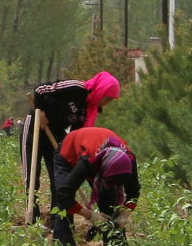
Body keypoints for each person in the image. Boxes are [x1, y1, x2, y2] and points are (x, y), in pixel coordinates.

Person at [23, 70, 122, 213]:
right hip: (35, 124)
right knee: (32, 174)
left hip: (56, 132)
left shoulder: (88, 111)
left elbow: (77, 135)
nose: (105, 103)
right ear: (101, 89)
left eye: (109, 101)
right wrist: (41, 112)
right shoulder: (76, 88)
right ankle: (32, 217)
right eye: (107, 98)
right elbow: (40, 89)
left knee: (59, 176)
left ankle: (56, 217)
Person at [50, 124, 140, 246]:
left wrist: (123, 216)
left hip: (102, 157)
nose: (114, 187)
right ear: (101, 172)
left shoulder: (129, 159)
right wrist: (90, 215)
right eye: (110, 182)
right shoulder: (88, 161)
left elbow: (133, 193)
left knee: (110, 204)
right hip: (68, 152)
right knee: (63, 206)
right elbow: (64, 195)